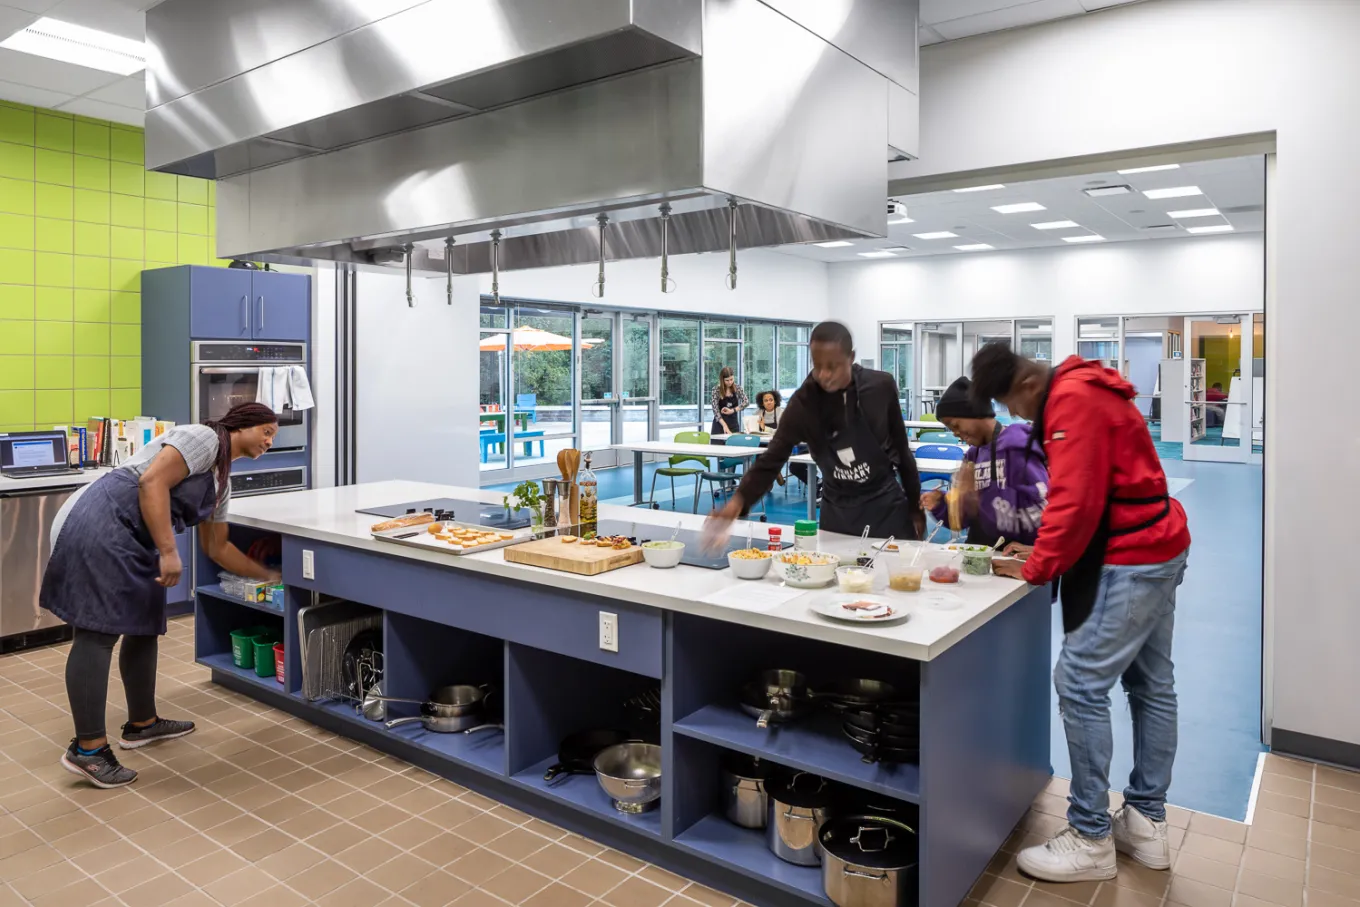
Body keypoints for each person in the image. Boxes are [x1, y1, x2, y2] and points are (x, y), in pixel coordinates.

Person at [969, 343, 1190, 883]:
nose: (1016, 418)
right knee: (1151, 684)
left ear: (1024, 385)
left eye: (1011, 406)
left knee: (1079, 682)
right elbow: (1091, 493)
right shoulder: (1083, 382)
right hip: (1159, 544)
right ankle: (1145, 823)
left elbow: (1075, 500)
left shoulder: (1069, 401)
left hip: (1132, 557)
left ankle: (1091, 837)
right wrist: (1043, 547)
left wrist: (1036, 567)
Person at [41, 402, 283, 788]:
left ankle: (143, 723)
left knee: (144, 624)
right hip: (102, 519)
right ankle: (87, 749)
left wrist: (269, 576)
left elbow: (218, 547)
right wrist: (169, 552)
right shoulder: (204, 438)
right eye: (266, 431)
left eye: (274, 435)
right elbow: (151, 482)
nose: (270, 441)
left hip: (135, 537)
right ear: (241, 426)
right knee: (97, 633)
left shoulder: (222, 482)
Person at [705, 321, 923, 542]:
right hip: (838, 513)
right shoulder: (804, 405)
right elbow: (771, 459)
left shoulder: (880, 388)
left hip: (885, 505)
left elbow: (902, 452)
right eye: (817, 366)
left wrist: (915, 507)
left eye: (833, 366)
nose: (825, 374)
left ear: (851, 357)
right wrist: (736, 503)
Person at [921, 376, 1048, 547]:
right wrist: (941, 505)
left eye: (956, 425)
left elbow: (1041, 513)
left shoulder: (1016, 448)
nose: (956, 434)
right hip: (981, 552)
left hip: (1014, 556)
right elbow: (962, 521)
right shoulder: (973, 456)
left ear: (975, 413)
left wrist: (977, 502)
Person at [710, 367, 748, 436]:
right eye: (727, 380)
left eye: (731, 379)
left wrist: (733, 410)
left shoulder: (737, 388)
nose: (730, 382)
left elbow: (746, 402)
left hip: (733, 424)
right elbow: (715, 411)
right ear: (722, 380)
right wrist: (725, 426)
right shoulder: (716, 390)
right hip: (719, 425)